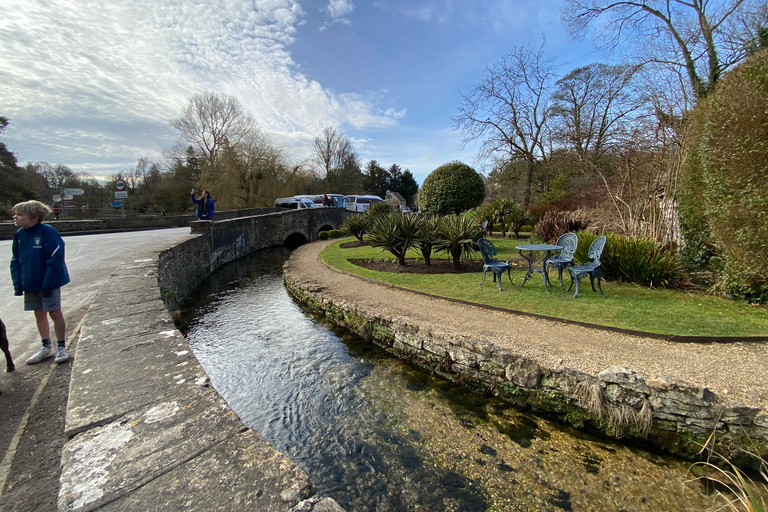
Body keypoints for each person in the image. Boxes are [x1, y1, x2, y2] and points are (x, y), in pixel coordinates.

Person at [10, 200, 71, 365]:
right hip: (31, 282)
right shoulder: (20, 235)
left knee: (55, 312)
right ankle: (46, 346)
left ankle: (61, 346)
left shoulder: (47, 232)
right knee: (38, 313)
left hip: (48, 282)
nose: (15, 217)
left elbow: (55, 259)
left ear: (34, 217)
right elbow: (16, 259)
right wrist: (18, 283)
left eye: (20, 214)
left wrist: (48, 283)